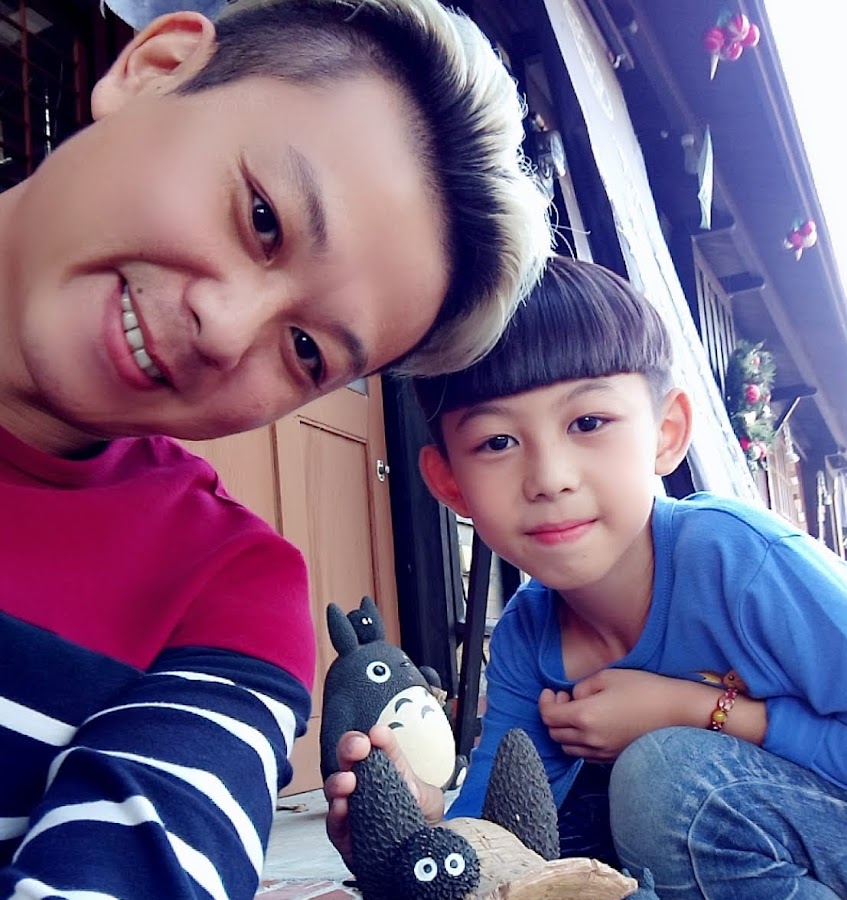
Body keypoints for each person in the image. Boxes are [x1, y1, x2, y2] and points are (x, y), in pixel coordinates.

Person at [0, 0, 553, 896]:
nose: (224, 327)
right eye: (261, 217)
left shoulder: (227, 595)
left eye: (305, 350)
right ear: (156, 69)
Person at [326, 255, 847, 899]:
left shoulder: (738, 561)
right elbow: (509, 826)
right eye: (496, 442)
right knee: (581, 837)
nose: (549, 478)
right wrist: (421, 827)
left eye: (588, 423)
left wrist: (696, 711)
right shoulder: (528, 633)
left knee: (662, 779)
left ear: (666, 432)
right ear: (450, 483)